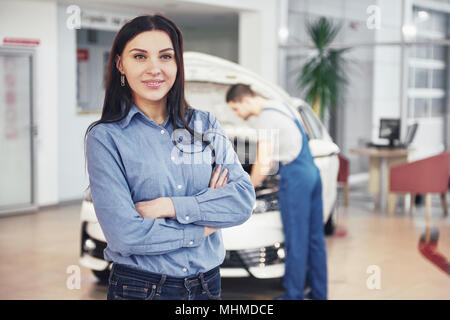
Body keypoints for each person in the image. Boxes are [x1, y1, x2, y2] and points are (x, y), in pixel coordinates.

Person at [85, 15, 255, 300]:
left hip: (207, 286)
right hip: (141, 288)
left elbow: (241, 201)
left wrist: (168, 206)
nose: (155, 69)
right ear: (120, 65)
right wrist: (206, 221)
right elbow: (125, 235)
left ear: (177, 64)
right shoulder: (106, 138)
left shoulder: (205, 124)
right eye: (140, 56)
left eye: (165, 56)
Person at [226, 84, 327, 300]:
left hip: (296, 178)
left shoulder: (266, 118)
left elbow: (264, 163)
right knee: (315, 239)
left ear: (244, 100)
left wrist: (245, 188)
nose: (238, 115)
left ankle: (293, 295)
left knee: (296, 239)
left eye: (235, 109)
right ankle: (319, 294)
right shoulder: (283, 106)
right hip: (312, 173)